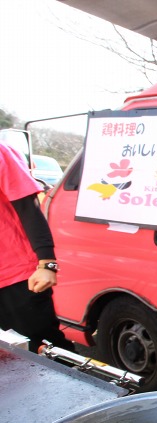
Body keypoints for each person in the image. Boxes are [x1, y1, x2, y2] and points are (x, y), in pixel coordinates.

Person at [0, 141, 75, 353]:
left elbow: (28, 209)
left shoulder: (2, 152)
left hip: (16, 277)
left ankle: (79, 386)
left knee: (45, 350)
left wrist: (47, 264)